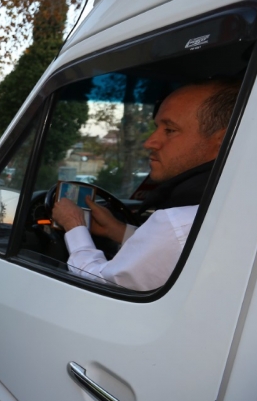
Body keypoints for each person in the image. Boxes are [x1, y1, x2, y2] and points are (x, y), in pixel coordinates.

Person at [52, 80, 240, 290]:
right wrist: (118, 231)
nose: (149, 142)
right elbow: (172, 252)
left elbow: (101, 282)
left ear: (222, 140)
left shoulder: (178, 222)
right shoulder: (234, 204)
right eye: (156, 128)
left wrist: (74, 225)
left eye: (169, 130)